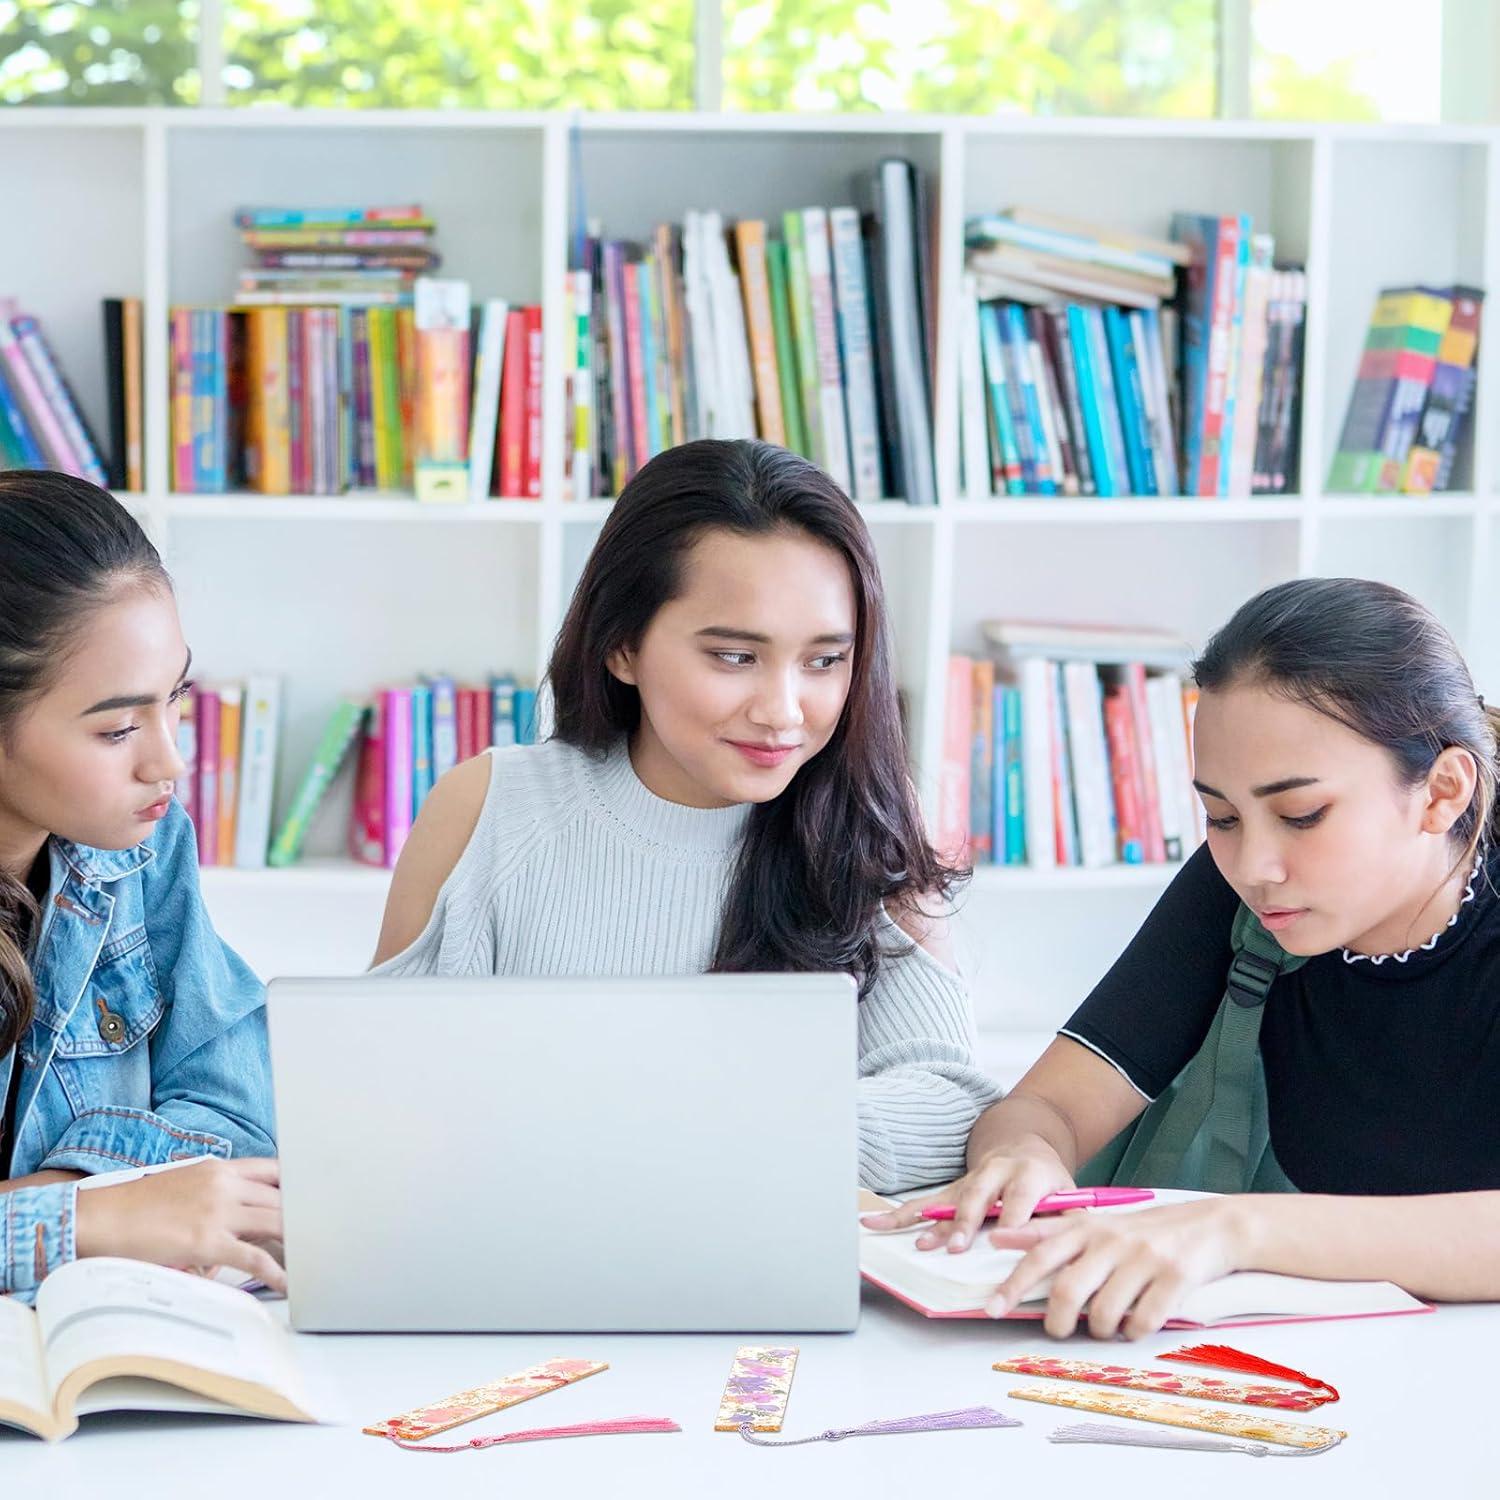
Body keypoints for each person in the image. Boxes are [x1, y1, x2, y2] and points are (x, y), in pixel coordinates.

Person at [868, 576, 1500, 1336]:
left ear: (1442, 792)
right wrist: (1026, 1157)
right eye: (1221, 816)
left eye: (1302, 815)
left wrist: (1234, 1231)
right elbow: (1047, 1106)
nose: (1254, 864)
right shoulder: (1242, 891)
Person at [372, 438, 1000, 1191]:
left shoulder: (870, 831)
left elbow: (950, 1107)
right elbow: (382, 1095)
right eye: (736, 657)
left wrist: (683, 1129)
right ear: (622, 647)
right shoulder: (491, 808)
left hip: (761, 1280)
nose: (783, 711)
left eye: (825, 661)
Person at [0, 470, 283, 1298]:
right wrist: (92, 1219)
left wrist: (54, 1198)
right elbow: (162, 1203)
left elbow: (239, 1121)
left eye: (175, 702)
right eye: (119, 727)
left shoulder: (139, 850)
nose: (170, 763)